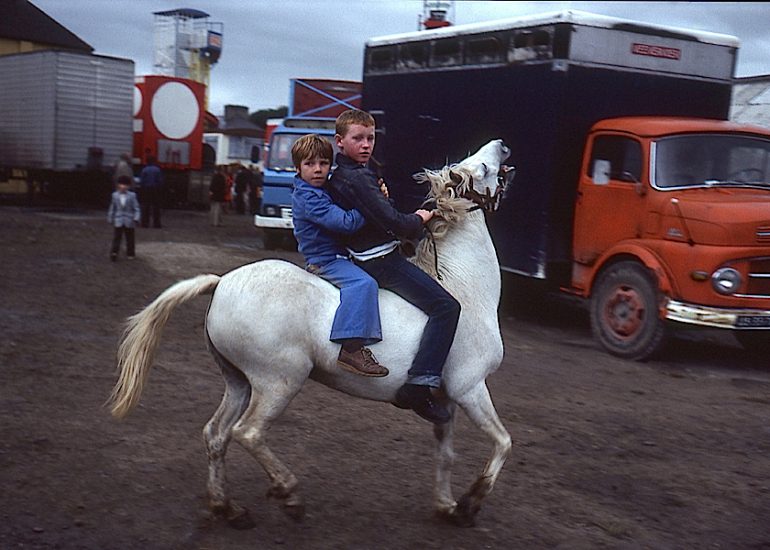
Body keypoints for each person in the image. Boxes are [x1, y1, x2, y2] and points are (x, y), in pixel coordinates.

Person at [327, 109, 460, 424]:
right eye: (357, 138)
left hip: (366, 253)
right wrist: (422, 217)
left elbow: (379, 213)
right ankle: (421, 382)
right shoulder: (358, 177)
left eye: (370, 138)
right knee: (447, 307)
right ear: (339, 141)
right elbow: (394, 223)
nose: (365, 145)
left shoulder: (348, 174)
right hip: (379, 261)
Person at [291, 134, 388, 378]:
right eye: (309, 164)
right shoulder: (308, 197)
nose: (317, 170)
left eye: (323, 163)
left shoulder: (322, 188)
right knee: (363, 283)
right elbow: (345, 223)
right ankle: (351, 347)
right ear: (298, 167)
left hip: (339, 254)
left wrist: (376, 193)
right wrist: (371, 205)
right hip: (325, 260)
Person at [107, 175, 141, 261]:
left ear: (128, 186)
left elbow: (136, 208)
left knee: (130, 238)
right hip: (118, 219)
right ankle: (114, 252)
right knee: (117, 237)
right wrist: (110, 217)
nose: (123, 187)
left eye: (125, 185)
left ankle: (130, 253)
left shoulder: (132, 195)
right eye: (121, 184)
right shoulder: (114, 195)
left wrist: (136, 218)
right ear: (118, 185)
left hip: (129, 219)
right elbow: (112, 207)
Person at [139, 155, 163, 228]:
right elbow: (160, 180)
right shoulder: (157, 170)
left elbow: (142, 181)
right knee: (156, 207)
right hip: (155, 189)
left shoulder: (144, 170)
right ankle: (157, 224)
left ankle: (145, 223)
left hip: (146, 189)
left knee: (145, 206)